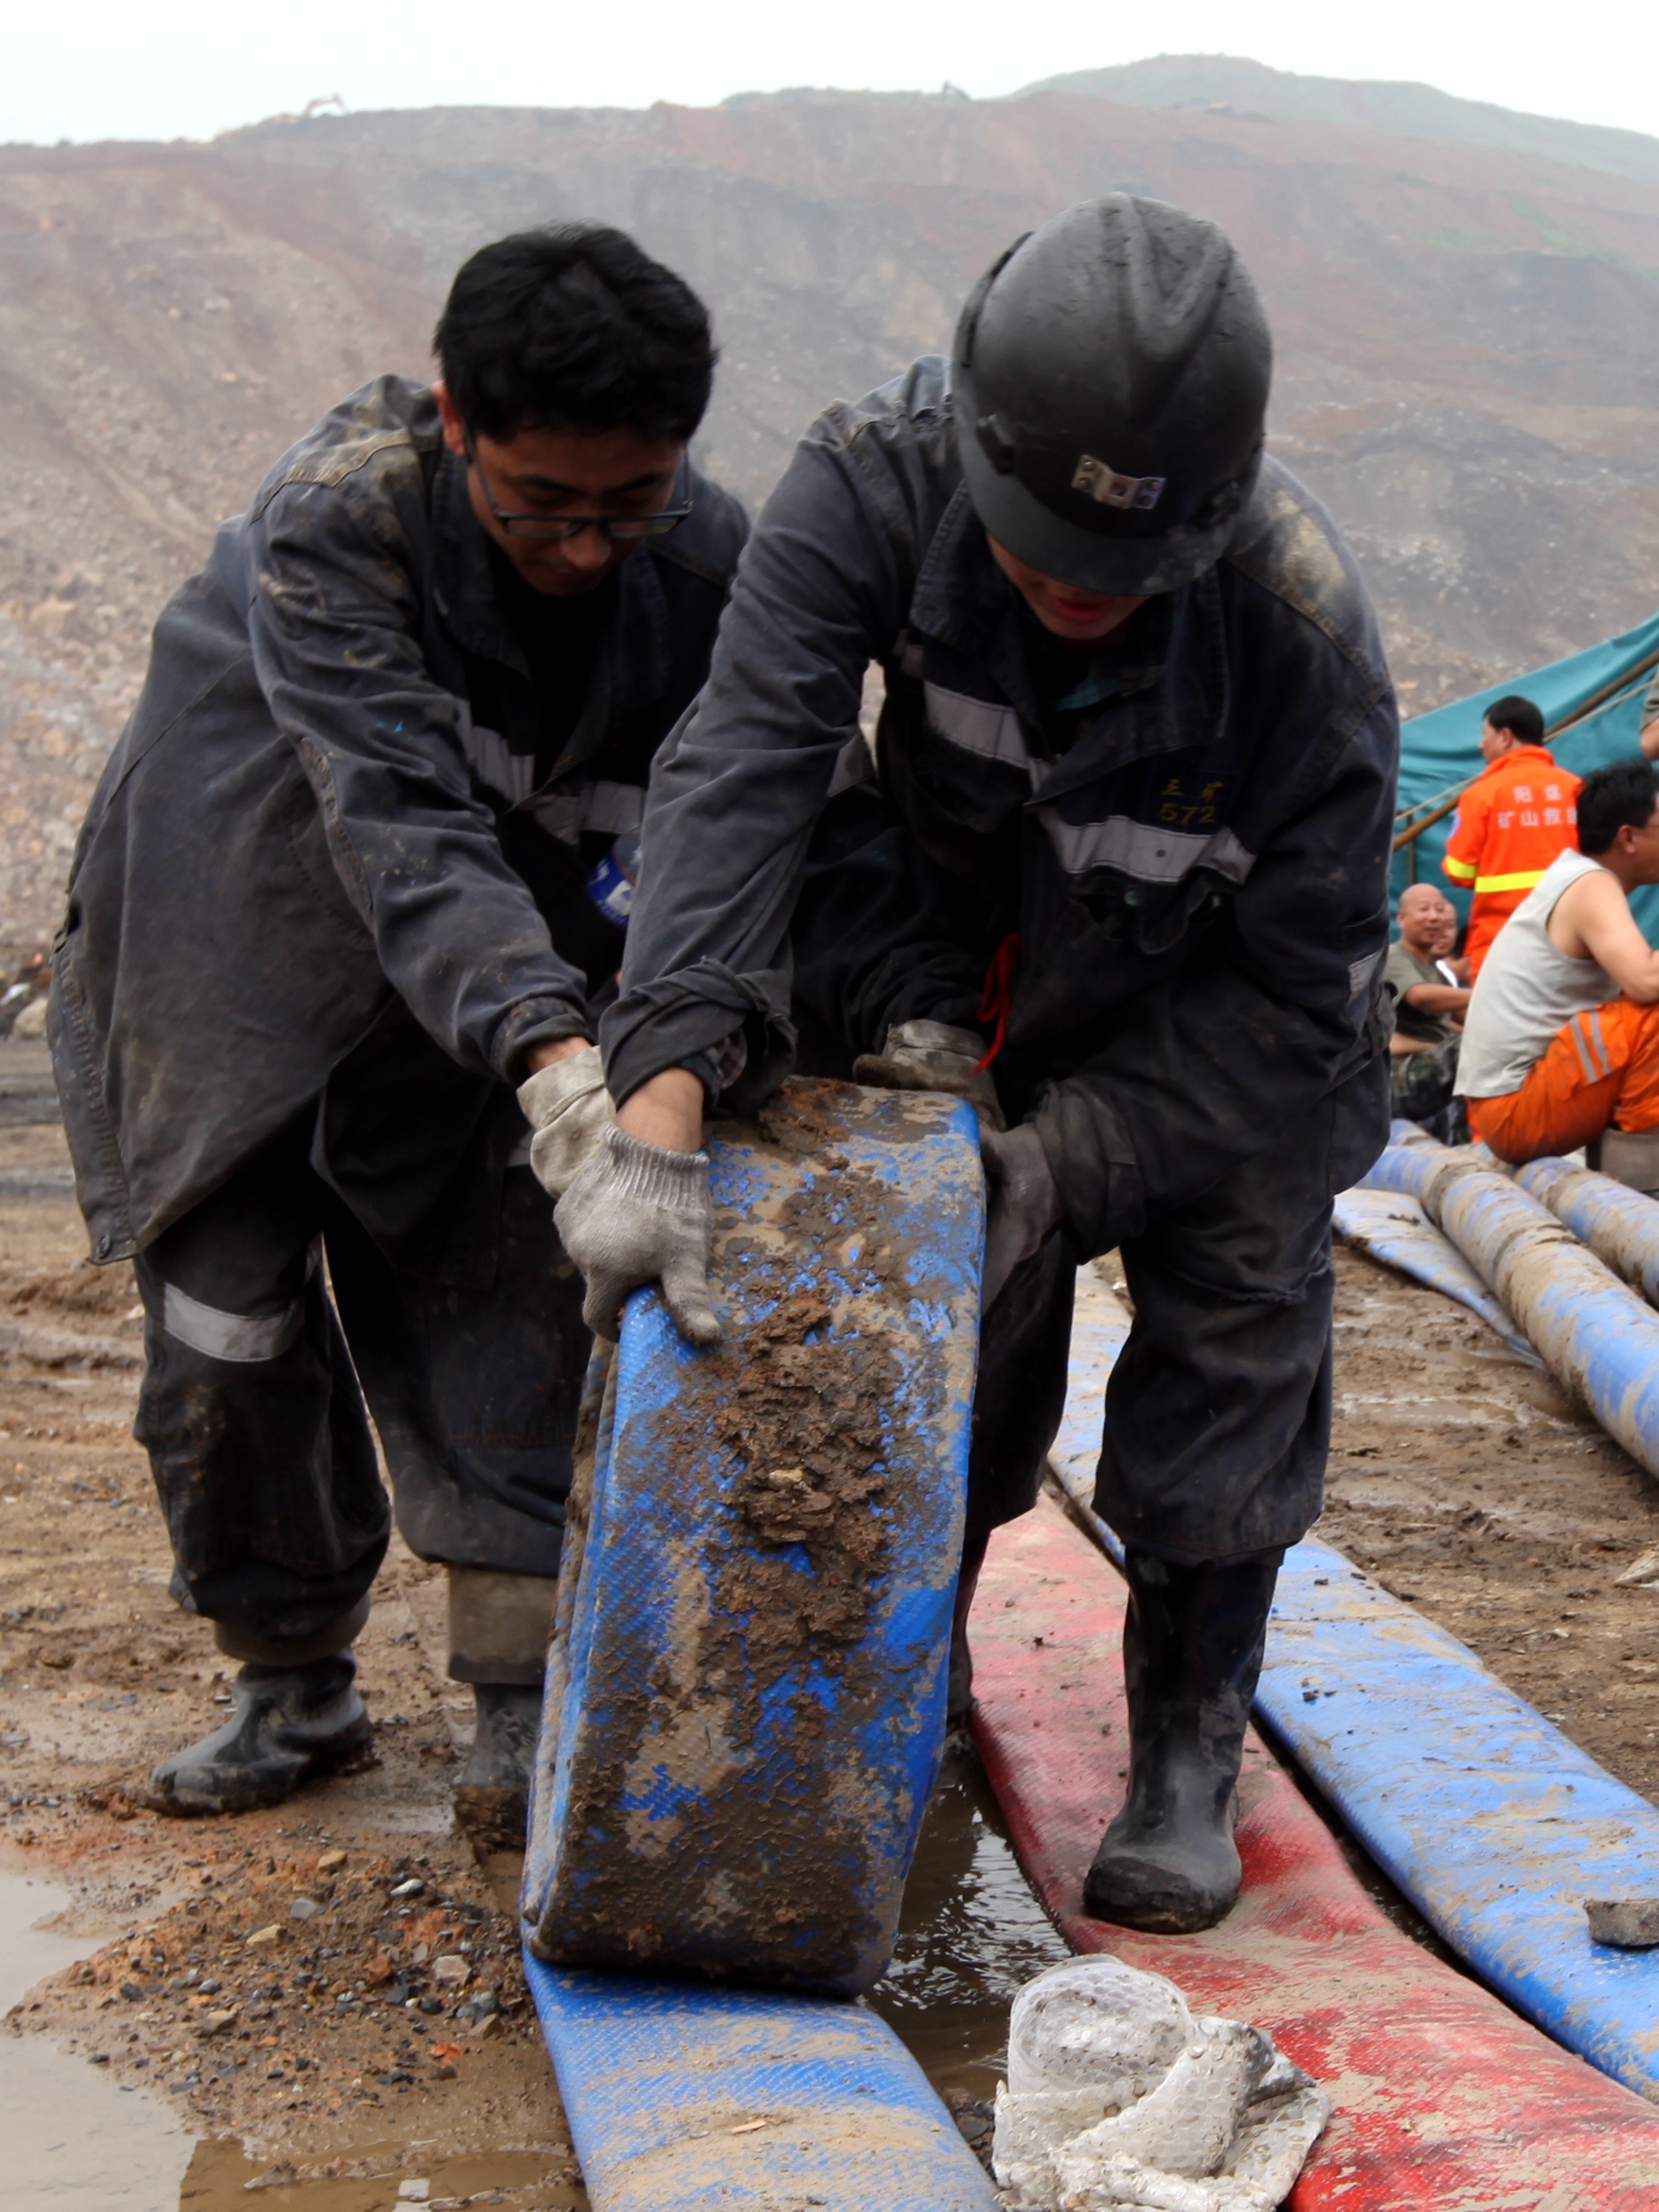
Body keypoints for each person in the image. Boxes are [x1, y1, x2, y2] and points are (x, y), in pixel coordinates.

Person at [553, 196, 1398, 1936]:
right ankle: (894, 1654)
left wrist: (1069, 1164)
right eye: (1037, 562)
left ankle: (1182, 1736)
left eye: (1122, 580)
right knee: (956, 1314)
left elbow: (1294, 1005)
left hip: (1218, 1034)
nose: (1076, 599)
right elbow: (745, 771)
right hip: (966, 966)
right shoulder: (869, 480)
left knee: (1234, 1327)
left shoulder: (1299, 640)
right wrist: (652, 1101)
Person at [48, 224, 747, 1838]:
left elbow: (747, 815)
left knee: (513, 1281)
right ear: (454, 420)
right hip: (234, 923)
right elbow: (401, 824)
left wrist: (656, 1057)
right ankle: (290, 1673)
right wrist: (564, 1073)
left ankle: (517, 1691)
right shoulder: (339, 522)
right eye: (541, 507)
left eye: (625, 505)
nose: (585, 549)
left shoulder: (704, 558)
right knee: (227, 1326)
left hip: (489, 956)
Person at [1456, 758, 1659, 1175]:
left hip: (1515, 1102)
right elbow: (1646, 982)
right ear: (1629, 837)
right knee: (1651, 1015)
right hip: (1515, 1111)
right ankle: (1643, 1182)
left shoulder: (1579, 877)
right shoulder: (1590, 884)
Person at [1441, 695, 1579, 978]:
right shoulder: (1576, 788)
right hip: (1572, 933)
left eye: (1484, 735)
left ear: (1505, 737)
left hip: (1502, 938)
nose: (1480, 745)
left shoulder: (1481, 794)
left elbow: (1459, 871)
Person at [1386, 883, 1470, 1132]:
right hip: (1395, 1079)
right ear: (1401, 919)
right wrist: (1485, 994)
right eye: (1424, 909)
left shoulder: (1437, 973)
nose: (1434, 916)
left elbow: (1471, 1018)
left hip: (1425, 1069)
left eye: (1440, 909)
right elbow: (1419, 996)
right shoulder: (1393, 957)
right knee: (1468, 1047)